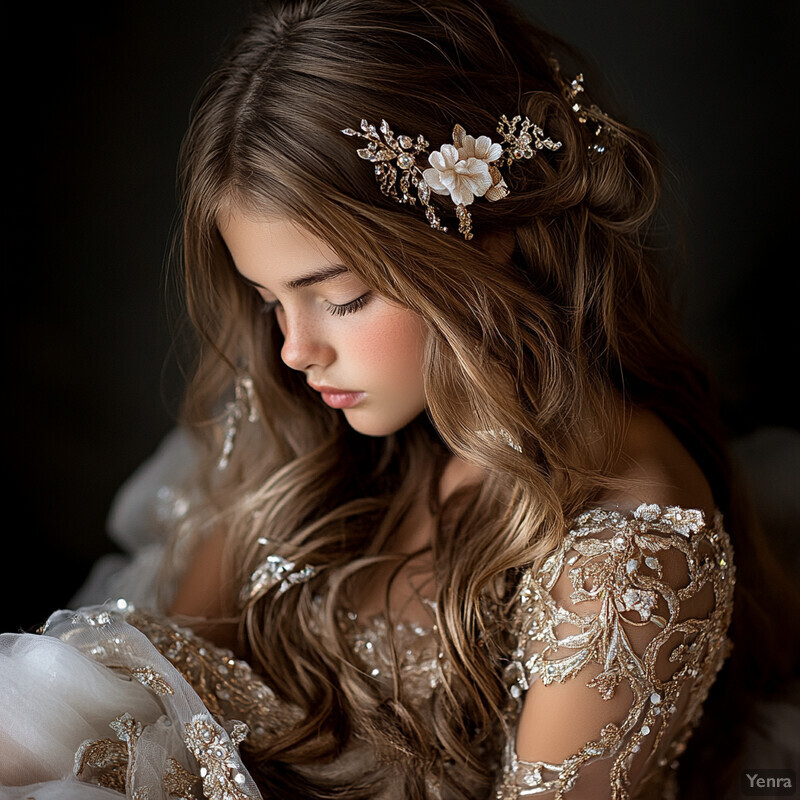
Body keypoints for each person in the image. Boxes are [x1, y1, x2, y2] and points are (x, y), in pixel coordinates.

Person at [1, 1, 798, 798]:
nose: (294, 349)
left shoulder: (622, 557)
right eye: (269, 299)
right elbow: (150, 697)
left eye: (340, 296)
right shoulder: (305, 418)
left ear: (488, 235)